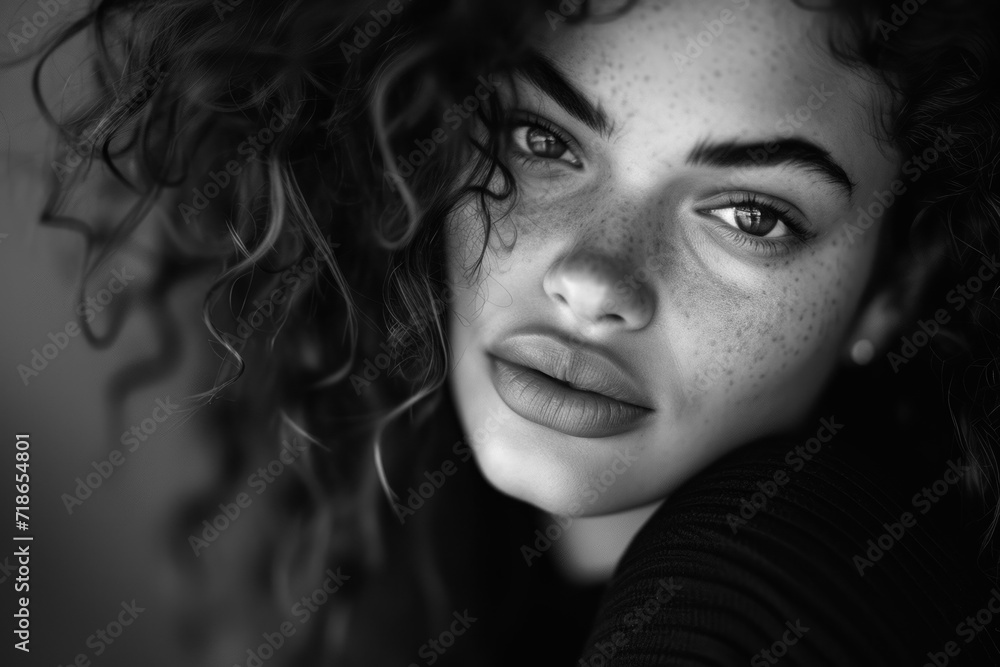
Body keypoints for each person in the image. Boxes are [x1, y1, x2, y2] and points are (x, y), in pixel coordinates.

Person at [16, 0, 1000, 664]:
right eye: (545, 143)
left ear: (891, 289)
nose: (588, 277)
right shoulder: (424, 516)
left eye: (749, 214)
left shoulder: (827, 553)